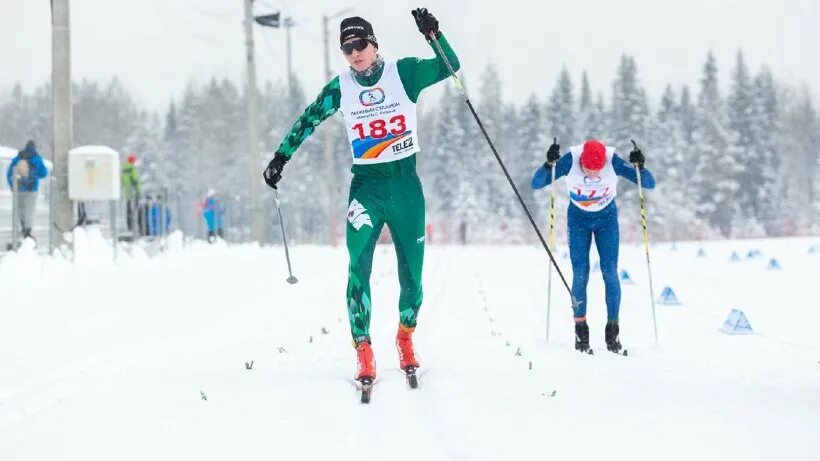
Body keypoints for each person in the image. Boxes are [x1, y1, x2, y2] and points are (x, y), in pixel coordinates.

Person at [262, 9, 458, 383]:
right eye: (347, 48)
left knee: (412, 277)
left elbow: (450, 66)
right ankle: (364, 349)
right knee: (357, 269)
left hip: (404, 188)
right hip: (366, 190)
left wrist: (434, 34)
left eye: (360, 44)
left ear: (374, 44)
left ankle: (405, 336)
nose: (355, 53)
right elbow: (308, 119)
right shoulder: (342, 87)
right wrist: (281, 156)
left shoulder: (404, 73)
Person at [531, 139, 655, 353]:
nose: (592, 175)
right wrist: (548, 164)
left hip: (607, 221)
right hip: (578, 221)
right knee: (580, 273)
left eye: (598, 170)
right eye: (588, 169)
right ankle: (581, 332)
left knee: (610, 273)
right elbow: (537, 183)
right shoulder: (570, 160)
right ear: (581, 162)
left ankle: (612, 330)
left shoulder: (612, 161)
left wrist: (640, 167)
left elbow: (649, 183)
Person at [5, 140, 48, 241]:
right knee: (30, 210)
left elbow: (9, 173)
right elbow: (44, 173)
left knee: (20, 210)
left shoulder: (17, 158)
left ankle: (23, 227)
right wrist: (35, 173)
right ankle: (28, 232)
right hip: (31, 189)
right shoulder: (37, 158)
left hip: (19, 189)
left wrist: (13, 186)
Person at [121, 154, 141, 234]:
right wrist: (137, 190)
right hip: (134, 193)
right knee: (135, 211)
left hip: (128, 193)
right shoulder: (132, 169)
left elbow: (123, 182)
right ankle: (134, 228)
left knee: (129, 211)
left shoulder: (124, 170)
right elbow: (135, 180)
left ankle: (129, 226)